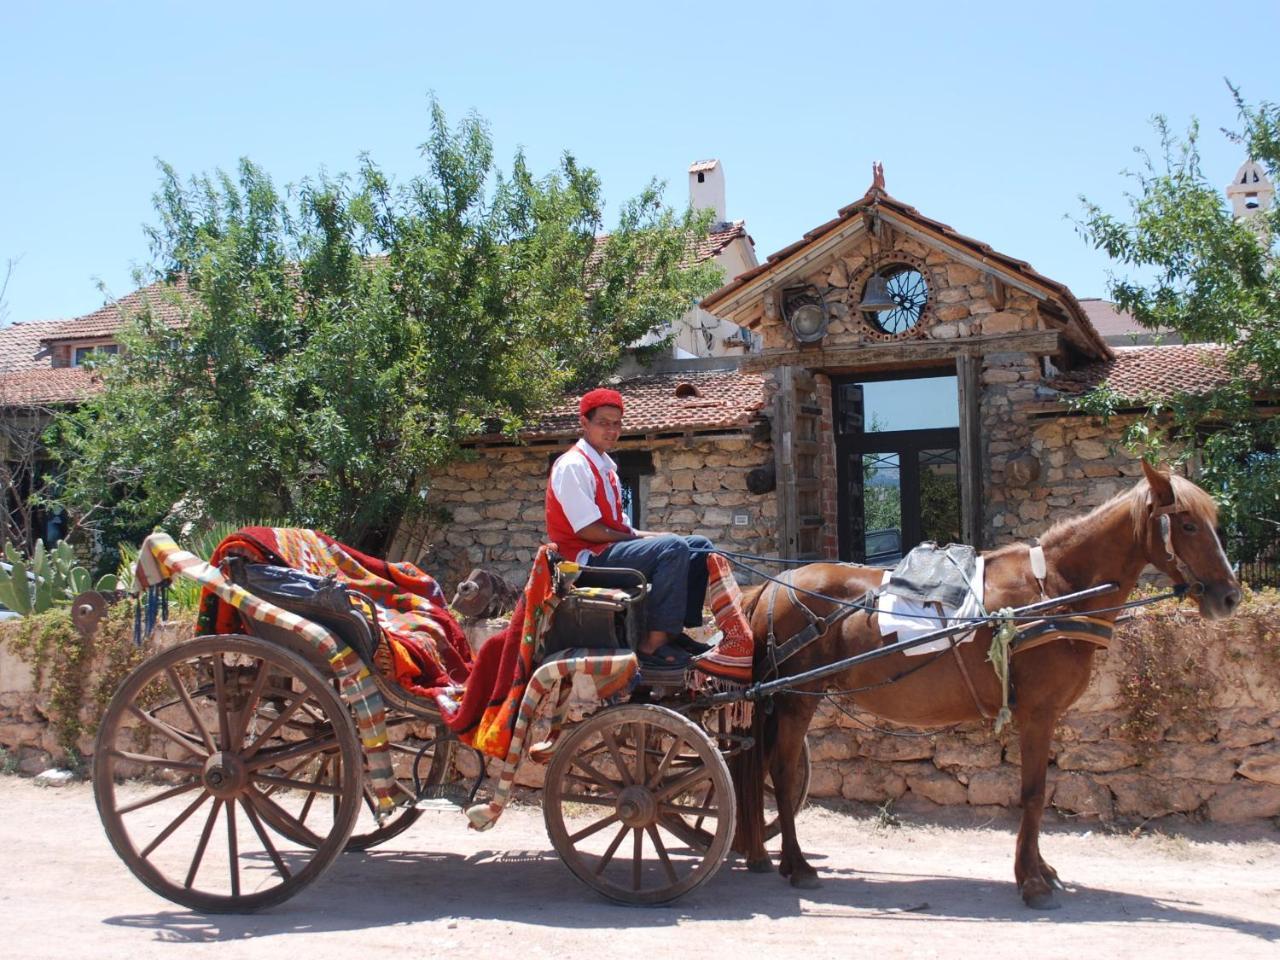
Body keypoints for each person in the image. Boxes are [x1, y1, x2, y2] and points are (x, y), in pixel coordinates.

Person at [545, 387, 712, 669]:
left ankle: (675, 632)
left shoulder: (606, 467)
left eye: (617, 424)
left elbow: (620, 527)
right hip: (585, 562)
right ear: (584, 424)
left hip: (608, 550)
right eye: (603, 423)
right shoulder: (573, 465)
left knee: (698, 546)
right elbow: (589, 531)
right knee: (673, 548)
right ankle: (652, 646)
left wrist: (653, 536)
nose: (611, 430)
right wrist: (657, 540)